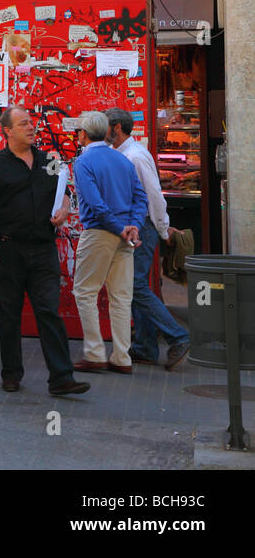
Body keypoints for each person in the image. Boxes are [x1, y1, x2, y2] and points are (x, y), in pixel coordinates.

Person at [0, 107, 89, 396]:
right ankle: (11, 374)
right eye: (23, 124)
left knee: (49, 310)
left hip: (43, 249)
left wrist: (63, 210)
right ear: (7, 131)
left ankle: (61, 377)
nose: (31, 127)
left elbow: (66, 195)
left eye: (32, 122)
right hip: (6, 249)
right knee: (9, 314)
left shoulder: (49, 161)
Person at [105, 108, 190, 369]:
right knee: (134, 286)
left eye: (105, 126)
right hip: (137, 226)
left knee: (135, 286)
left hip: (142, 227)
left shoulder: (135, 157)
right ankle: (145, 347)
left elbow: (154, 196)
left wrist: (164, 230)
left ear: (116, 128)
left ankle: (178, 336)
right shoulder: (126, 154)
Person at [71, 111, 147, 376]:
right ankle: (121, 356)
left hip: (99, 232)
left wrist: (120, 227)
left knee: (85, 291)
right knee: (121, 297)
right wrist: (132, 226)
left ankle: (94, 353)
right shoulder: (123, 159)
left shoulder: (82, 163)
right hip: (125, 234)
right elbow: (140, 197)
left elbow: (95, 203)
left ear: (82, 134)